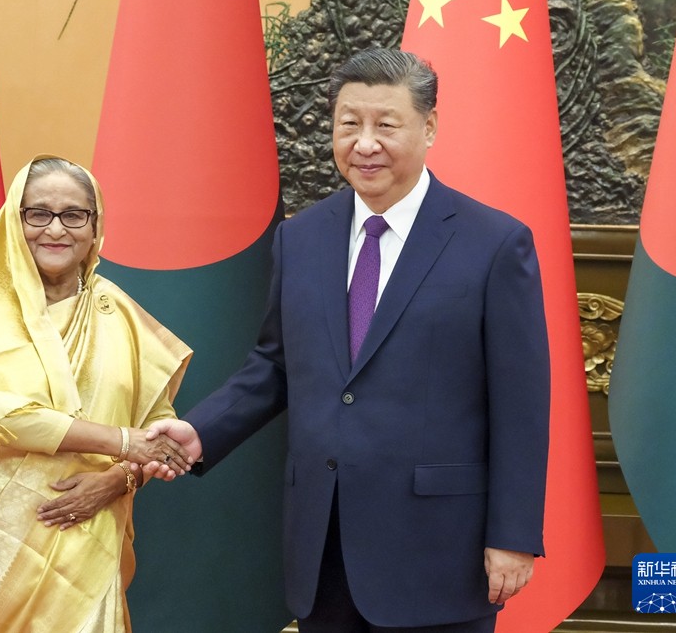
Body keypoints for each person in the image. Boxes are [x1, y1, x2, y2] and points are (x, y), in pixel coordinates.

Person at [146, 48, 551, 632]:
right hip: (324, 544)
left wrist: (513, 535)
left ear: (429, 127)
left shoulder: (494, 243)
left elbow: (521, 404)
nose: (364, 144)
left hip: (439, 549)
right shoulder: (302, 238)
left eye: (386, 125)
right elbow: (275, 365)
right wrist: (201, 431)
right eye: (349, 124)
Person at [0, 155, 194, 632]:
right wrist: (126, 444)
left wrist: (119, 479)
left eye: (74, 214)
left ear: (95, 226)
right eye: (38, 213)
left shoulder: (119, 313)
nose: (56, 229)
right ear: (14, 221)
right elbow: (3, 418)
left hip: (87, 537)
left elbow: (156, 424)